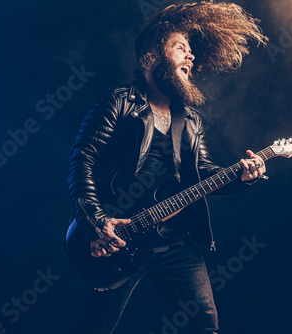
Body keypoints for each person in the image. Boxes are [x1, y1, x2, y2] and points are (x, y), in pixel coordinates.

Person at [67, 2, 268, 333]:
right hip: (118, 239)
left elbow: (205, 174)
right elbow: (82, 159)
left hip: (174, 241)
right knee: (97, 327)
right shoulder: (118, 102)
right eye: (180, 48)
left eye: (191, 53)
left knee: (204, 325)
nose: (190, 57)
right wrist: (95, 222)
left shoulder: (190, 120)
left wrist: (244, 177)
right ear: (151, 57)